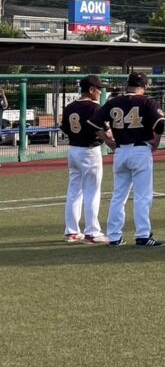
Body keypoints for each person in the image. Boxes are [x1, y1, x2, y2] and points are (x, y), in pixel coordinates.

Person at [87, 72, 165, 247]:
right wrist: (156, 141)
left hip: (121, 151)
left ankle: (114, 237)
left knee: (118, 196)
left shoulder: (114, 102)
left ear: (127, 84)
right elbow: (160, 122)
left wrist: (108, 141)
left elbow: (92, 123)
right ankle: (143, 235)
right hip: (140, 150)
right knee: (142, 196)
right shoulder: (147, 101)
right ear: (145, 86)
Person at [60, 75, 109, 244]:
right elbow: (103, 131)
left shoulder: (69, 107)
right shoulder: (94, 107)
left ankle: (72, 231)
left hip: (73, 150)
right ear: (91, 89)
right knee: (92, 192)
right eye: (98, 89)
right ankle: (93, 232)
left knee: (74, 191)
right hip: (89, 151)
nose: (100, 92)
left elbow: (65, 129)